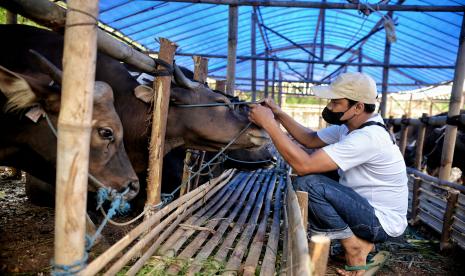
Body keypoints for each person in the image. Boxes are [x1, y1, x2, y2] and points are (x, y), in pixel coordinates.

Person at [248, 72, 408, 276]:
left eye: (336, 102)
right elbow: (309, 139)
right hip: (367, 209)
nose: (330, 107)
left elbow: (303, 165)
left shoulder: (368, 137)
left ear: (358, 107)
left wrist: (270, 125)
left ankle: (354, 247)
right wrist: (278, 114)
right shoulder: (350, 127)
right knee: (324, 169)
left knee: (308, 183)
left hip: (380, 222)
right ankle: (360, 242)